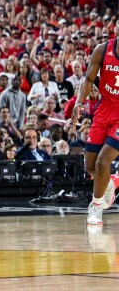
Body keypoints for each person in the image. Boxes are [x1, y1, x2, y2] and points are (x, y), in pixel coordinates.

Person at [75, 39, 119, 225]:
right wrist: (79, 102)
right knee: (91, 167)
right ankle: (111, 182)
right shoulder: (102, 50)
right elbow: (88, 79)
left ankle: (95, 207)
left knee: (103, 162)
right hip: (103, 110)